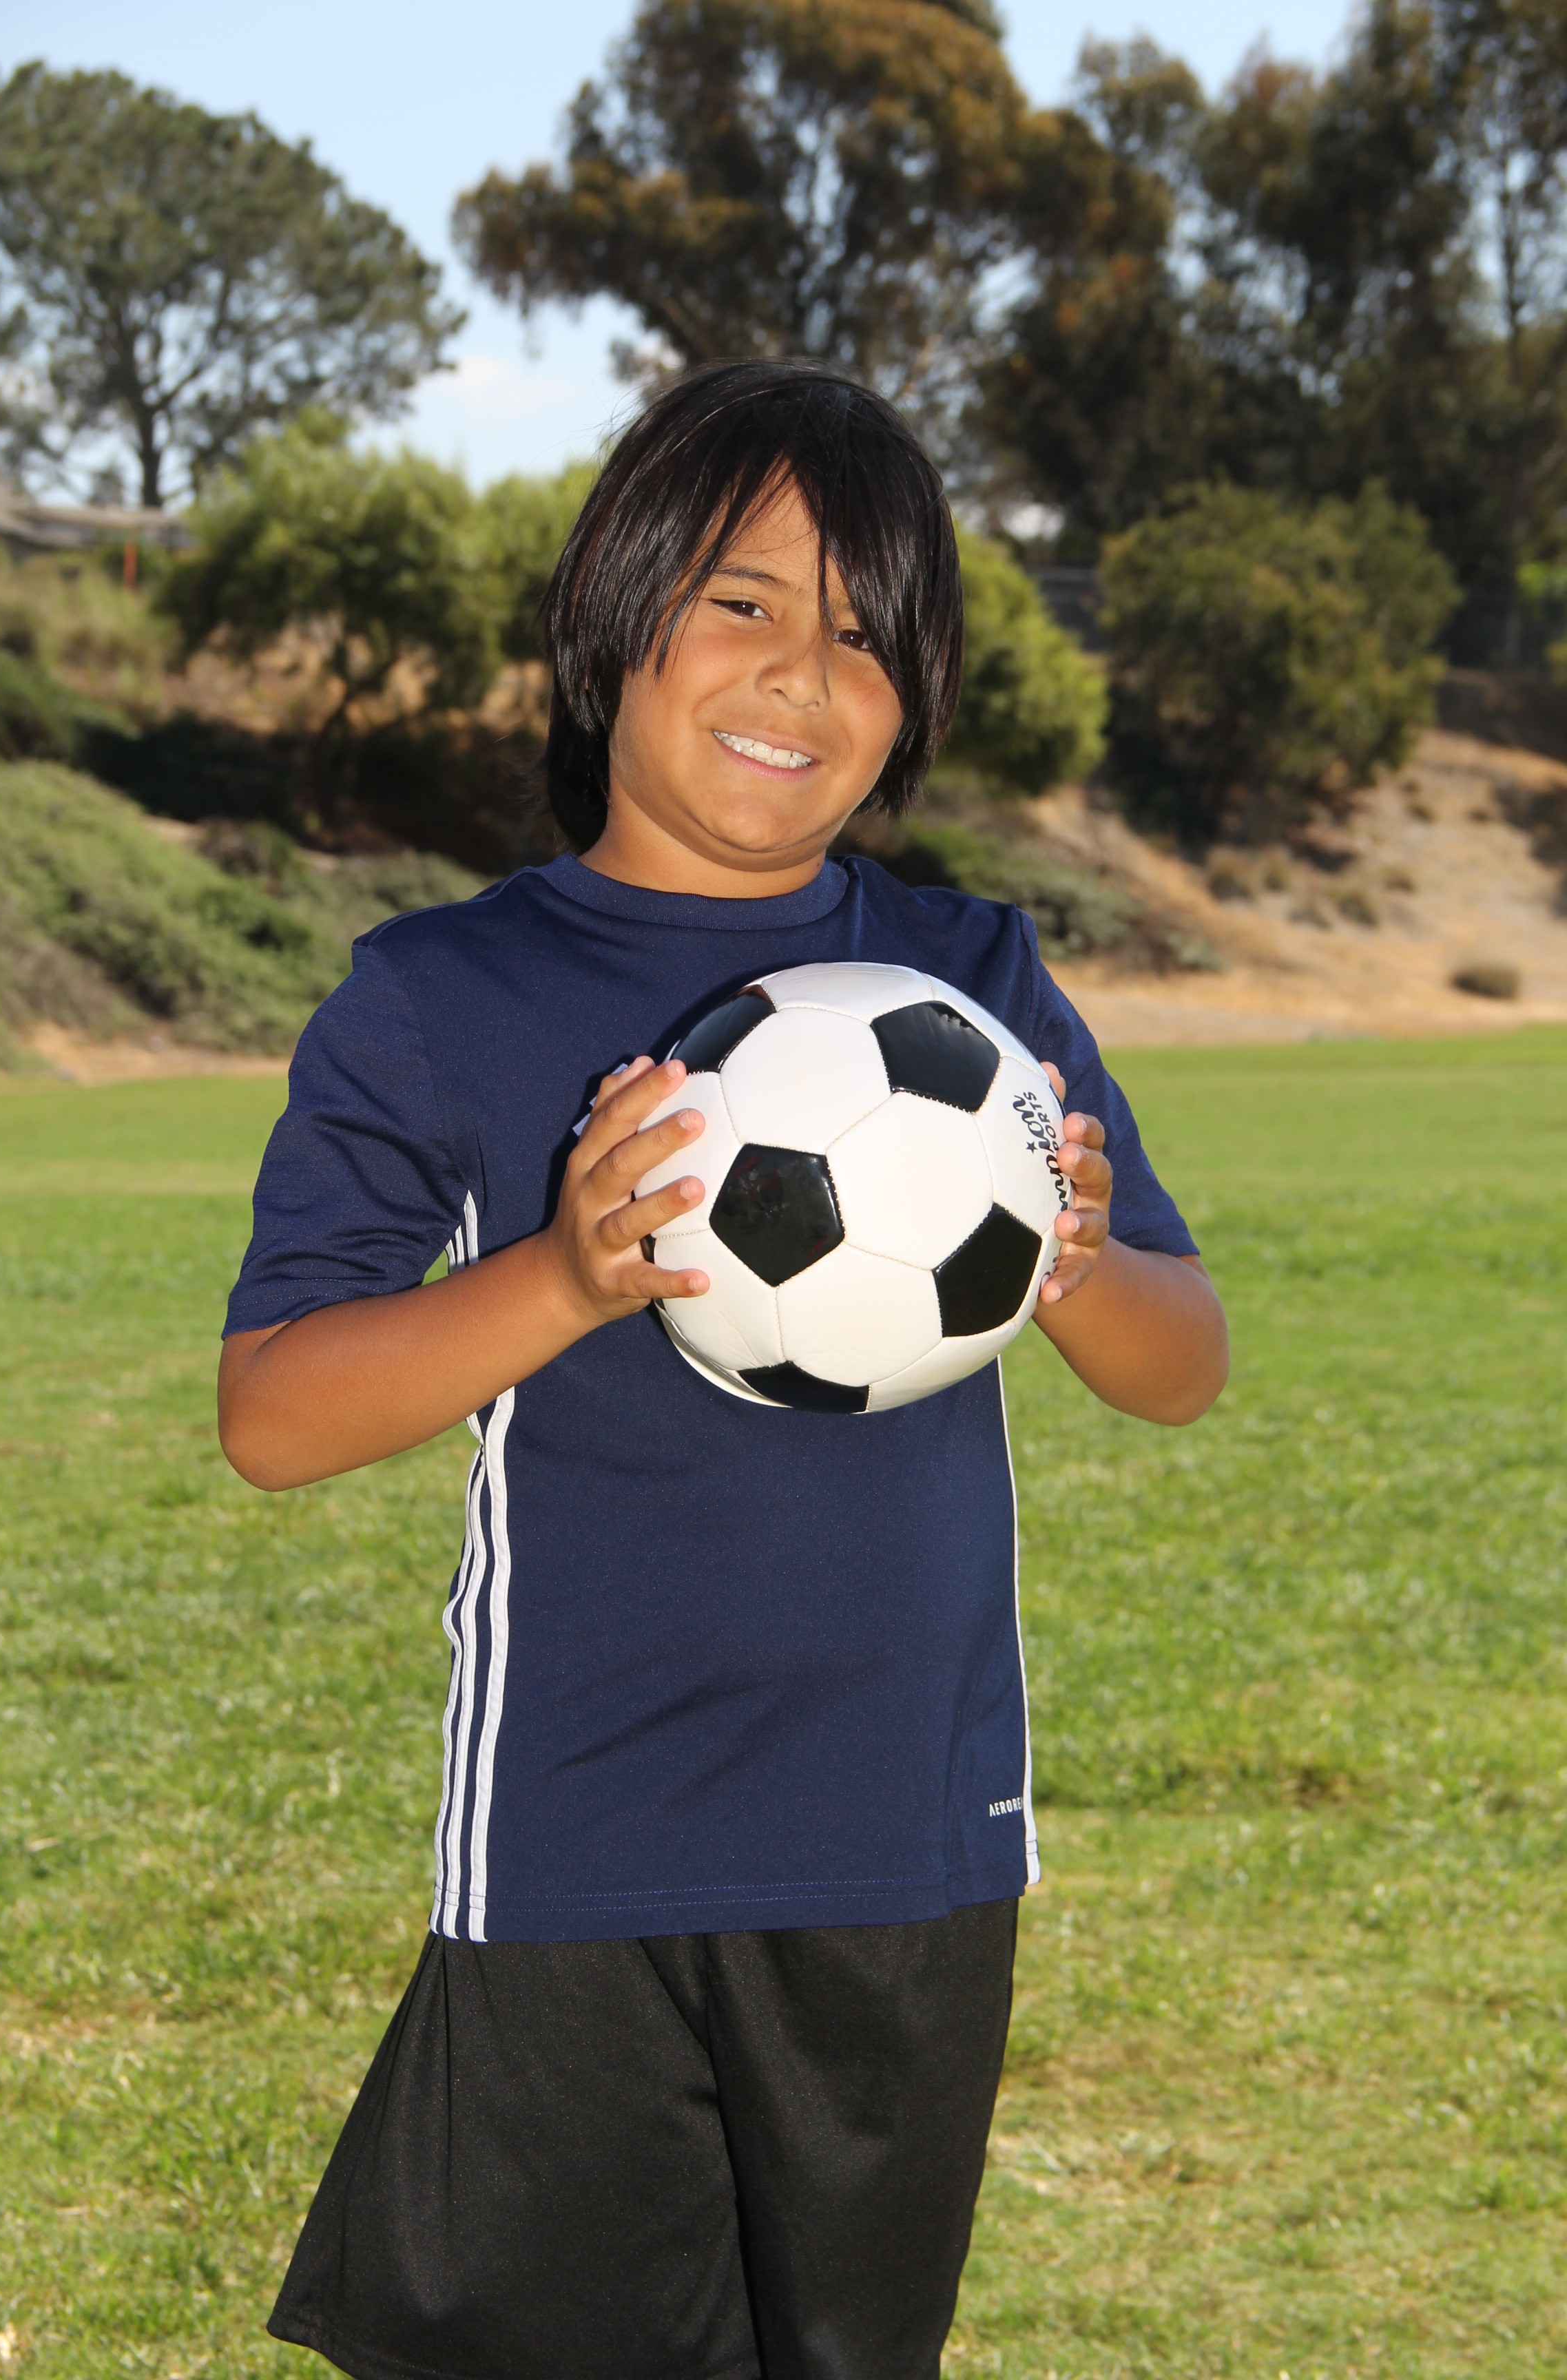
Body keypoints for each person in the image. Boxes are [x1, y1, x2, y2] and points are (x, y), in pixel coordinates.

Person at [219, 359, 1229, 2380]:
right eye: (743, 602)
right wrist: (564, 1276)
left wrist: (1074, 1261)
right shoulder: (439, 994)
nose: (800, 676)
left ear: (914, 701)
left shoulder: (979, 984)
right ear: (614, 616)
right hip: (580, 1840)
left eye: (866, 637)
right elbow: (274, 1413)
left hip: (912, 1849)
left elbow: (1182, 1361)